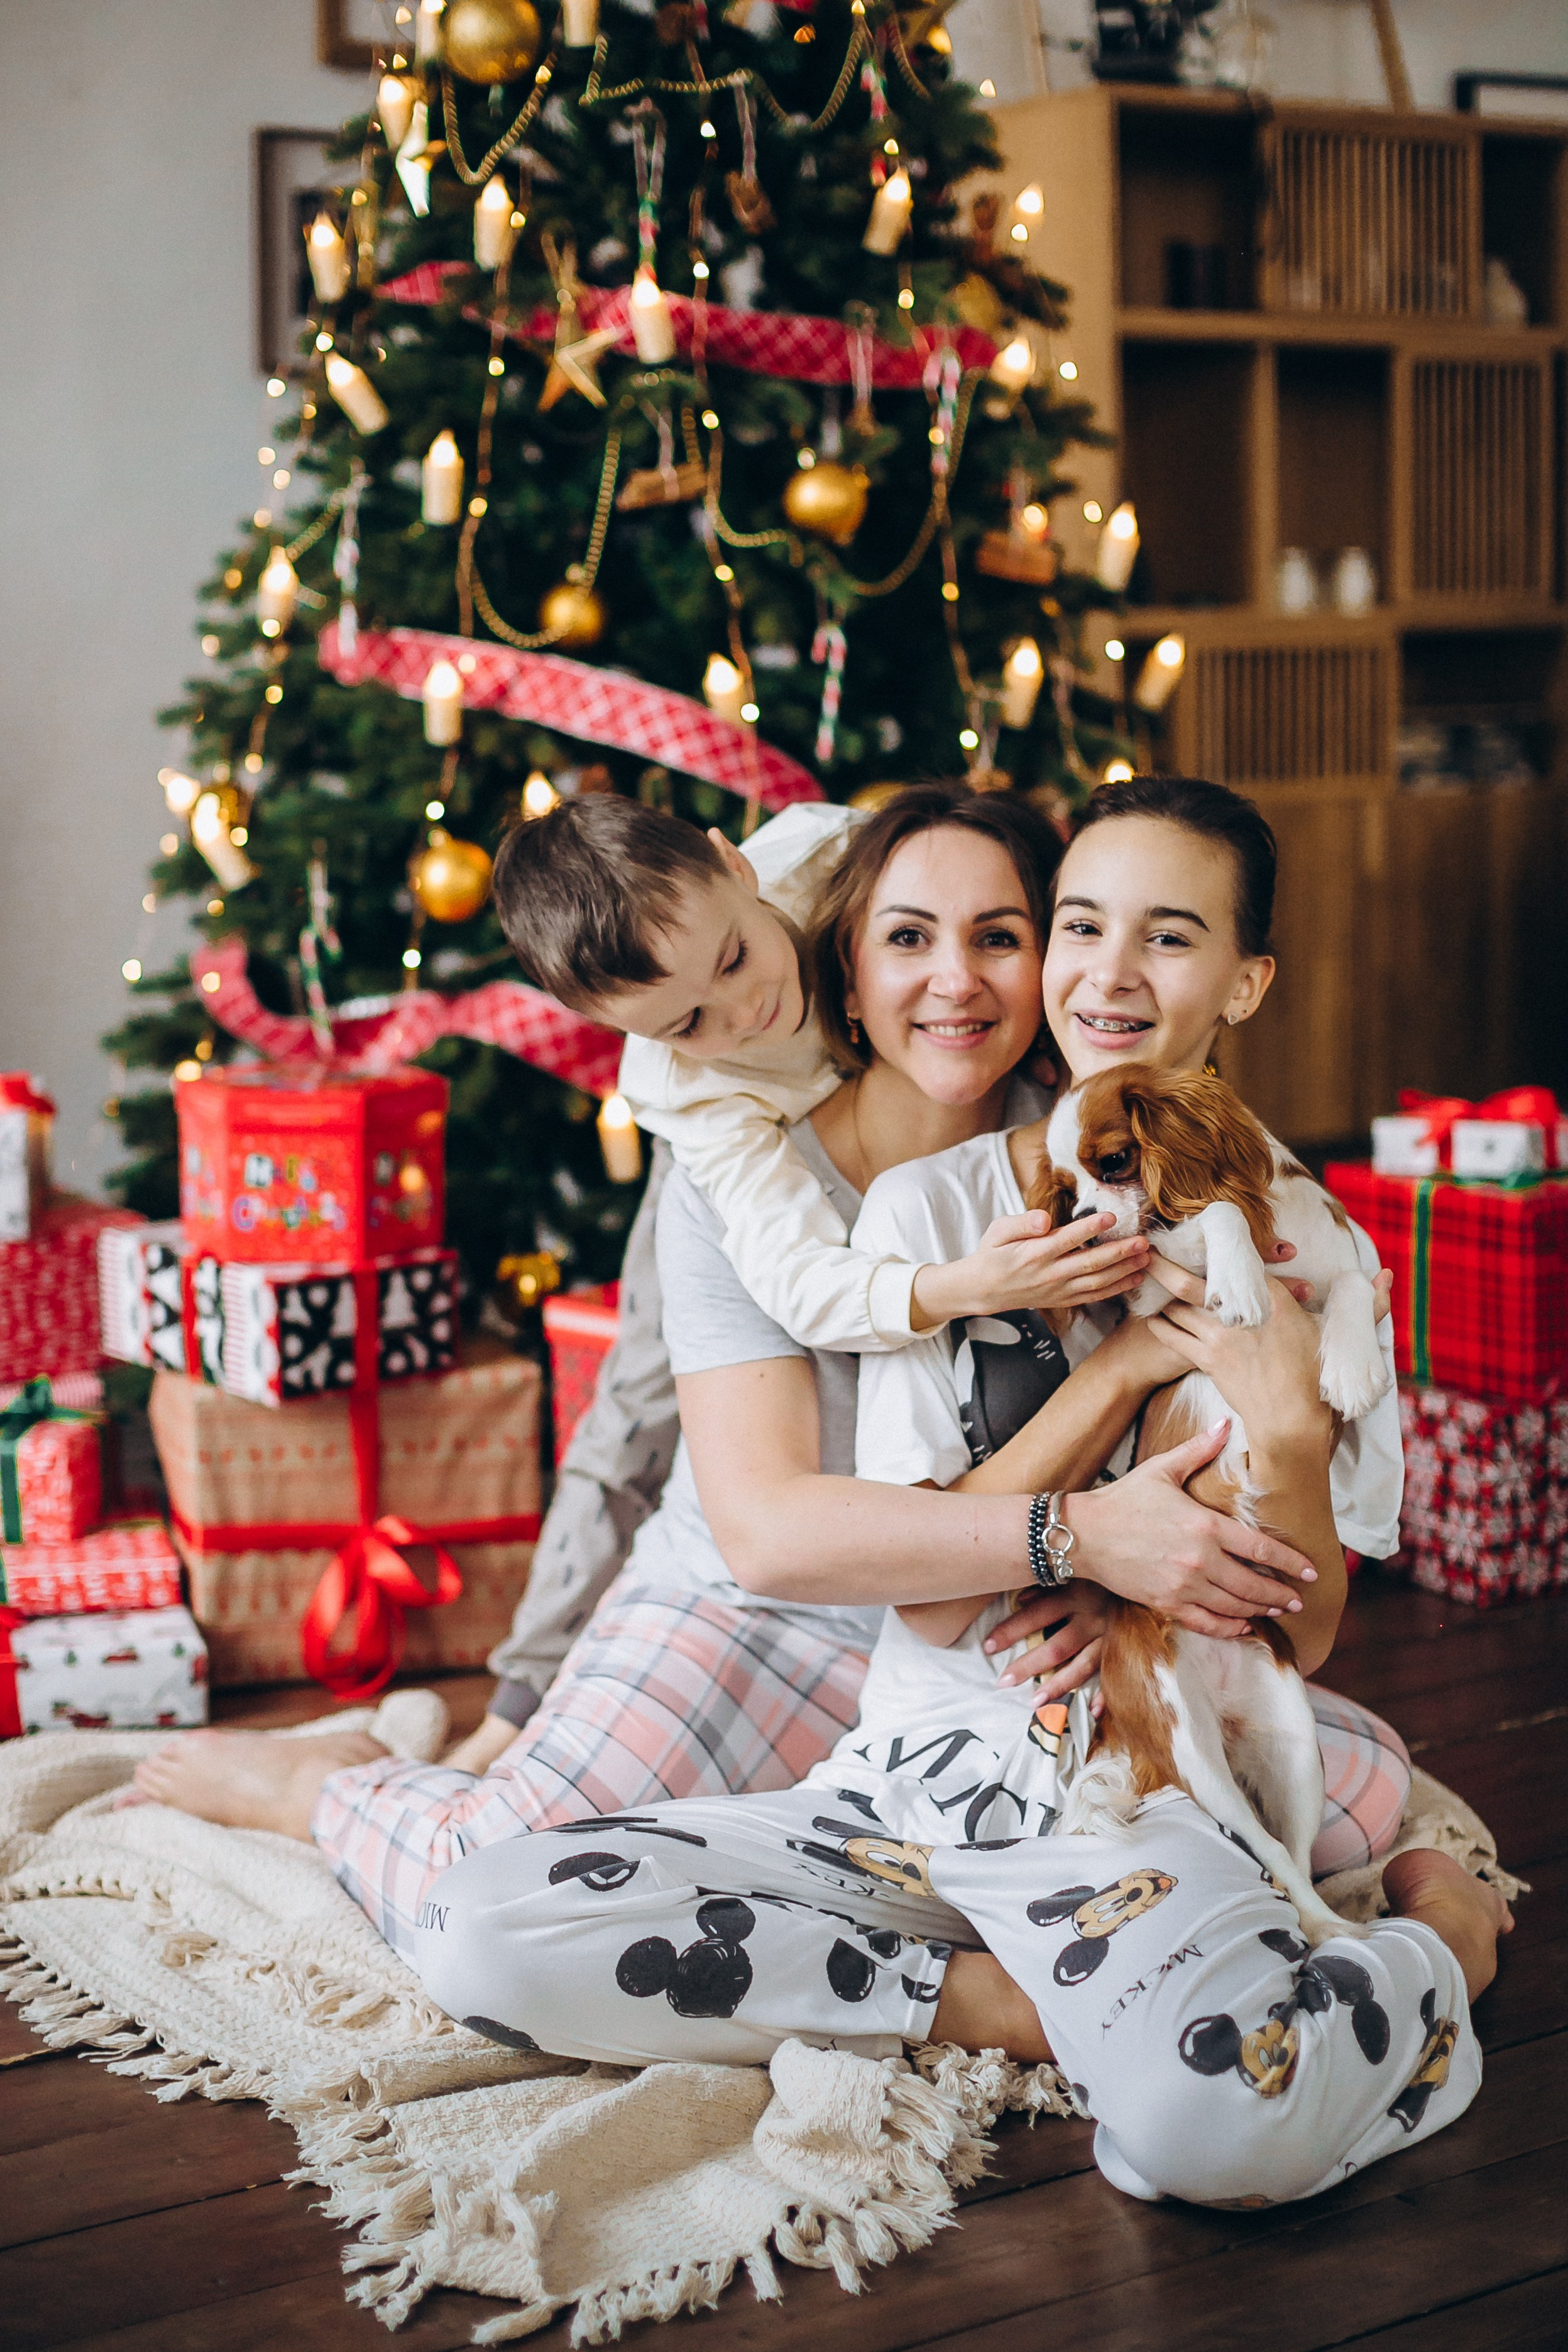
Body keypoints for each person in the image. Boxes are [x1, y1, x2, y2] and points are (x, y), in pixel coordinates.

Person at [408, 776, 1511, 2211]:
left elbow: (1302, 1633)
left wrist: (1290, 1433)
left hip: (1126, 1783)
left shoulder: (1288, 1235)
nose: (1105, 974)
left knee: (1217, 2129)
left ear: (1242, 982)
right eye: (1082, 929)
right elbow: (922, 1599)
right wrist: (1107, 1422)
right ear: (858, 973)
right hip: (906, 1774)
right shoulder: (916, 1216)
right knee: (478, 1927)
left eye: (1158, 939)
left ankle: (1444, 1947)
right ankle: (1005, 2002)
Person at [133, 788, 1344, 1955]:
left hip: (983, 1623)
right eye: (908, 938)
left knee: (1337, 1821)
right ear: (851, 969)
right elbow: (747, 1513)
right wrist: (1080, 1532)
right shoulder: (730, 1162)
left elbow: (1225, 1419)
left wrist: (1120, 1565)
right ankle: (325, 1789)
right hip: (762, 1605)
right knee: (487, 1877)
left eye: (1003, 937)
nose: (957, 980)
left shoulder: (1089, 1124)